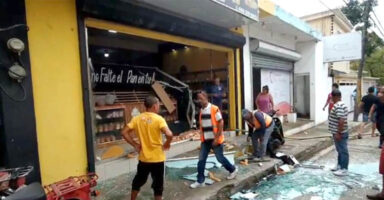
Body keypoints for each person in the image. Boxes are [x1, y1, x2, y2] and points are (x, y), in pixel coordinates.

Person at [121, 96, 173, 200]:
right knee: (158, 186)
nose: (158, 107)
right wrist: (167, 143)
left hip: (144, 158)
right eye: (158, 105)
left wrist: (135, 144)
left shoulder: (137, 119)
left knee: (138, 181)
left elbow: (124, 132)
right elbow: (169, 134)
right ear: (154, 106)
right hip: (157, 159)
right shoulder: (159, 119)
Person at [190, 91, 237, 189]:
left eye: (201, 98)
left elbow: (220, 123)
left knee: (220, 158)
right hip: (205, 140)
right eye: (198, 99)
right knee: (201, 160)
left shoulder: (214, 109)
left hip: (215, 139)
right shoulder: (201, 110)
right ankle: (200, 180)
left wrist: (216, 138)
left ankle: (232, 170)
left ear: (206, 98)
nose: (200, 100)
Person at [329, 89, 349, 176]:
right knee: (340, 150)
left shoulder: (339, 105)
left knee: (343, 150)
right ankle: (339, 166)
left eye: (332, 97)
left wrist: (338, 132)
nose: (331, 99)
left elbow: (341, 120)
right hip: (338, 132)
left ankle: (344, 168)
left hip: (340, 132)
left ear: (335, 96)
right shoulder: (339, 104)